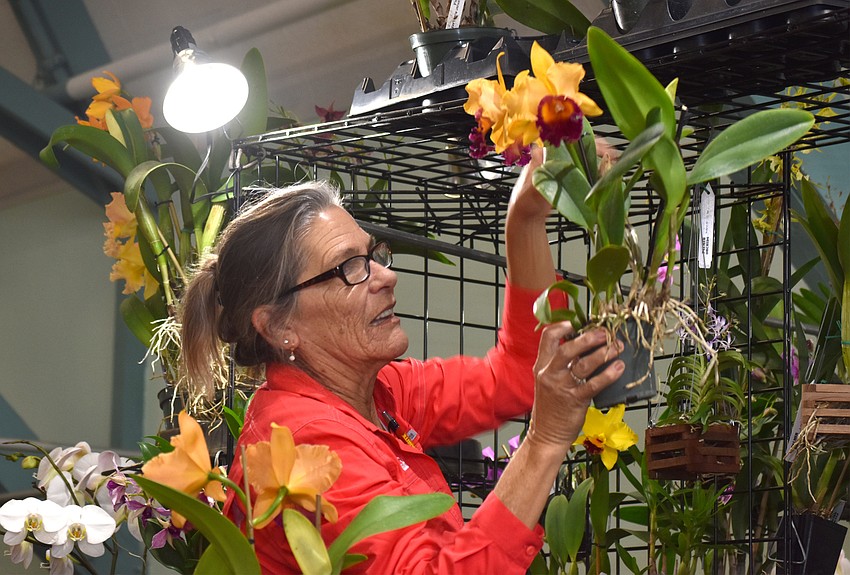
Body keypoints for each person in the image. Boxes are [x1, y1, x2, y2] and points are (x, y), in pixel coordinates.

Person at [179, 149, 625, 574]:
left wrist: (525, 218)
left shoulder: (380, 392)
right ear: (278, 327)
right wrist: (545, 440)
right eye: (348, 268)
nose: (387, 276)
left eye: (373, 255)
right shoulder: (302, 448)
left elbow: (513, 377)